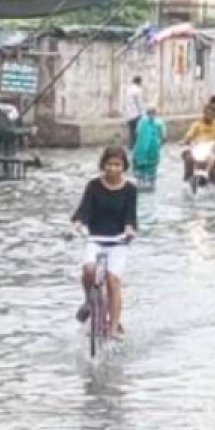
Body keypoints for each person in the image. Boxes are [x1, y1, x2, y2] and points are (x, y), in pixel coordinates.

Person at [72, 146, 137, 340]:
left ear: (123, 166)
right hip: (95, 239)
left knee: (112, 280)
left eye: (117, 164)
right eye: (109, 164)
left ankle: (114, 326)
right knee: (88, 269)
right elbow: (84, 209)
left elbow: (130, 217)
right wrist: (78, 223)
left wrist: (129, 230)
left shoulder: (130, 189)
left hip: (118, 242)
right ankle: (89, 301)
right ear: (103, 165)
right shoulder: (93, 185)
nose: (113, 168)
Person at [182, 104, 215, 182]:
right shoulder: (197, 125)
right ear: (203, 113)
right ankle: (188, 178)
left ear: (214, 115)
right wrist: (186, 140)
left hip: (214, 149)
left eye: (211, 114)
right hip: (199, 148)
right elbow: (189, 135)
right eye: (207, 113)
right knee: (188, 158)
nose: (209, 116)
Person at [132, 106, 166, 187]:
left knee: (150, 165)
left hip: (149, 147)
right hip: (146, 146)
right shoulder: (157, 122)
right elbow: (163, 136)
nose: (152, 115)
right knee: (148, 165)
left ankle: (147, 182)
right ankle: (146, 182)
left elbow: (137, 133)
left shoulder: (143, 121)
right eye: (151, 113)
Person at [124, 76, 144, 150]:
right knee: (138, 131)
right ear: (139, 82)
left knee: (131, 131)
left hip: (128, 114)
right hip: (136, 114)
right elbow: (139, 103)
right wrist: (142, 113)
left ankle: (131, 146)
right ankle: (137, 146)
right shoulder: (138, 90)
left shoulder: (128, 90)